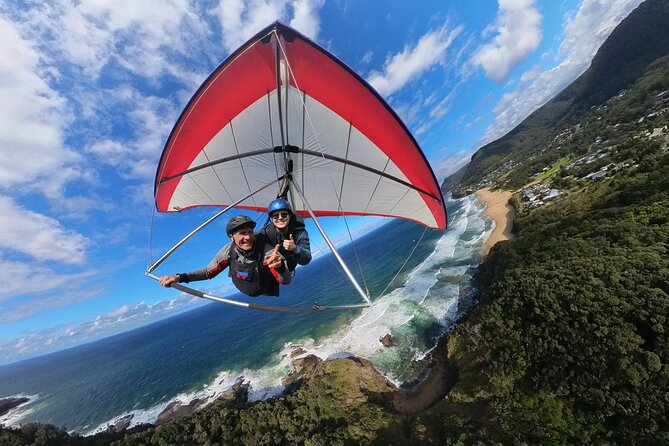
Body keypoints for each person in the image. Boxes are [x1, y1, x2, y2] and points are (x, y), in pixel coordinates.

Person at [159, 215, 291, 297]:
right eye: (242, 233)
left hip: (266, 287)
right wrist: (179, 277)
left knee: (285, 265)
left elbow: (285, 281)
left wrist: (279, 267)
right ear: (231, 237)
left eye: (250, 232)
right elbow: (208, 272)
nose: (248, 237)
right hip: (245, 285)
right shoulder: (228, 252)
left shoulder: (267, 252)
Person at [258, 198, 311, 273]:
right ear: (272, 219)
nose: (280, 218)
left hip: (289, 268)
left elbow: (306, 259)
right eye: (275, 216)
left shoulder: (299, 232)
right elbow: (253, 239)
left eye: (284, 214)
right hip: (272, 265)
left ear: (290, 216)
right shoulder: (267, 231)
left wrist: (295, 248)